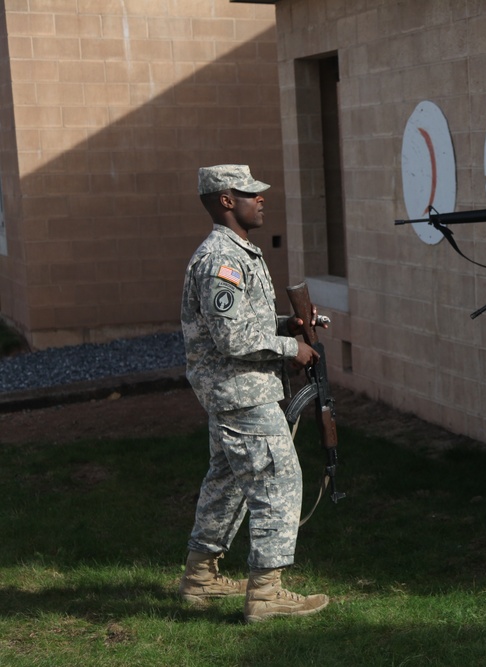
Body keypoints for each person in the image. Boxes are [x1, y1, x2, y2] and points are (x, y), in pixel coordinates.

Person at [177, 164, 330, 623]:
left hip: (237, 390)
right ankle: (266, 593)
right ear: (226, 200)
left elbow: (243, 324)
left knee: (227, 484)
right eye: (250, 193)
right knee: (277, 482)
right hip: (241, 392)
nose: (261, 199)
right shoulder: (219, 260)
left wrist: (291, 326)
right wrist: (292, 348)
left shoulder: (239, 251)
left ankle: (200, 578)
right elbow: (231, 339)